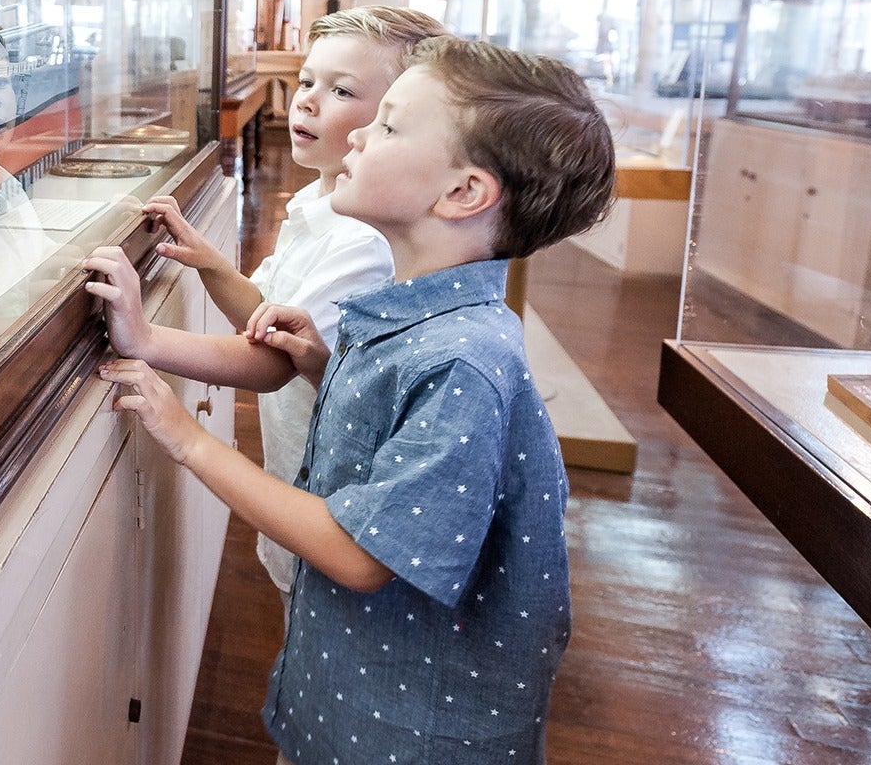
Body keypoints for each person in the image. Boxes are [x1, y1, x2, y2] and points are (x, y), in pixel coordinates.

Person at [83, 37, 617, 763]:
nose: (359, 134)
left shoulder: (463, 359)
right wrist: (319, 365)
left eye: (390, 125)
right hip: (356, 687)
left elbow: (363, 554)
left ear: (463, 193)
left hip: (407, 730)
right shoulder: (416, 315)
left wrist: (187, 437)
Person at [140, 6, 446, 599]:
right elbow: (271, 318)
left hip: (331, 493)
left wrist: (146, 340)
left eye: (341, 90)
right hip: (301, 468)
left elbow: (272, 364)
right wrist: (212, 264)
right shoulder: (320, 199)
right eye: (307, 81)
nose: (306, 101)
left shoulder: (363, 237)